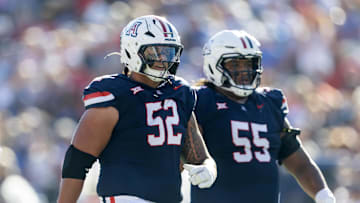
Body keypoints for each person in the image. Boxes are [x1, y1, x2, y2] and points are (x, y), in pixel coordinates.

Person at [57, 15, 217, 203]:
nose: (162, 60)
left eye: (168, 53)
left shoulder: (180, 93)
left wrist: (208, 169)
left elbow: (199, 157)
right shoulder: (114, 94)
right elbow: (77, 162)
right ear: (132, 51)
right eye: (154, 53)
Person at [190, 30, 336, 203]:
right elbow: (181, 154)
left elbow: (300, 164)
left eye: (249, 64)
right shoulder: (201, 101)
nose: (244, 71)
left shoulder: (269, 104)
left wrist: (323, 195)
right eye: (235, 65)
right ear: (214, 64)